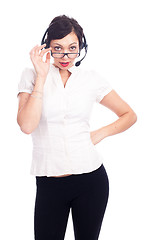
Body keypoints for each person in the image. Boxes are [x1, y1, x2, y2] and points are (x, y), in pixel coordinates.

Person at [17, 14, 137, 240]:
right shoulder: (32, 75)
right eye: (58, 48)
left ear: (81, 47)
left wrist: (98, 134)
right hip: (49, 182)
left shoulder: (91, 79)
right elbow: (26, 125)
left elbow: (129, 115)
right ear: (47, 46)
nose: (65, 55)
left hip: (91, 179)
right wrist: (41, 77)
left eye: (72, 47)